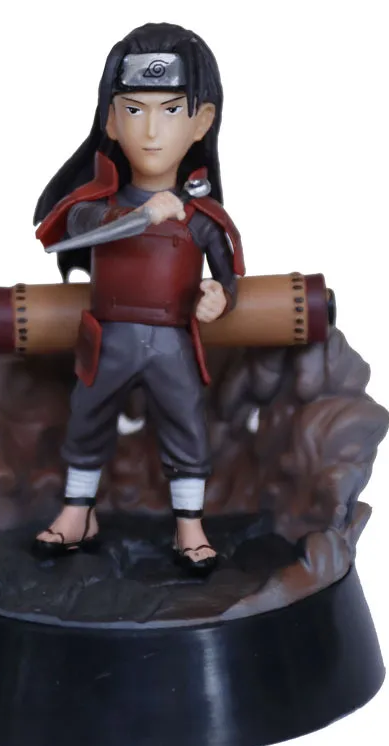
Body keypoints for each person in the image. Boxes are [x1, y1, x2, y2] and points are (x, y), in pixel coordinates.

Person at [31, 23, 245, 575]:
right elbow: (77, 229)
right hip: (110, 336)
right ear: (111, 119)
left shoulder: (202, 217)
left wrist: (218, 296)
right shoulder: (93, 208)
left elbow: (228, 276)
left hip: (172, 340)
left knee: (186, 425)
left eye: (171, 111)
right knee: (87, 418)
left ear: (201, 121)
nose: (151, 130)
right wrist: (140, 214)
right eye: (133, 110)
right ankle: (78, 511)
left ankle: (190, 525)